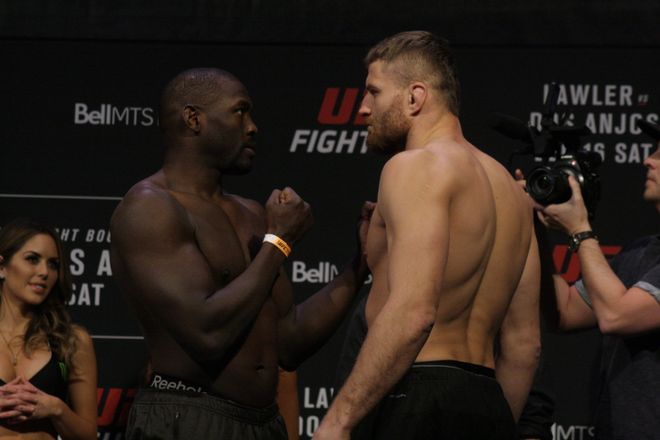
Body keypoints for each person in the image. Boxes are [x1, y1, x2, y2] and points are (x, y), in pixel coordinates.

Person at [110, 67, 371, 439]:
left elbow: (289, 342)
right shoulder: (150, 208)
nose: (252, 127)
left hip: (263, 423)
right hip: (189, 417)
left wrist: (359, 265)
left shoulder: (251, 213)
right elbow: (207, 334)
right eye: (240, 111)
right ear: (193, 119)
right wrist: (279, 242)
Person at [315, 31, 541, 439]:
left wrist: (338, 421)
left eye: (374, 92)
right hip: (489, 403)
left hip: (414, 396)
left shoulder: (415, 166)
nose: (363, 108)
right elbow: (525, 345)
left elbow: (414, 312)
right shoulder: (513, 193)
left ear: (414, 97)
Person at [526, 119, 660, 439]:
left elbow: (616, 316)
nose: (648, 160)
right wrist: (533, 227)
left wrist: (580, 230)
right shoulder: (640, 252)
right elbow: (564, 311)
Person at [0, 218, 97, 439]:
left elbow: (89, 436)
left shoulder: (72, 340)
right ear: (2, 267)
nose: (44, 271)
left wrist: (56, 408)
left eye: (53, 264)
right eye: (32, 259)